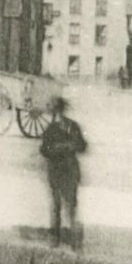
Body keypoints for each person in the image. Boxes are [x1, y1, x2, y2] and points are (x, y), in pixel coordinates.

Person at [38, 96, 88, 248]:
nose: (55, 115)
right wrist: (60, 148)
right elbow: (44, 150)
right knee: (62, 205)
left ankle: (65, 239)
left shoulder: (67, 127)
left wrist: (65, 147)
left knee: (64, 205)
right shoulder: (57, 128)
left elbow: (82, 146)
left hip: (66, 171)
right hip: (60, 171)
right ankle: (62, 239)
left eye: (55, 111)